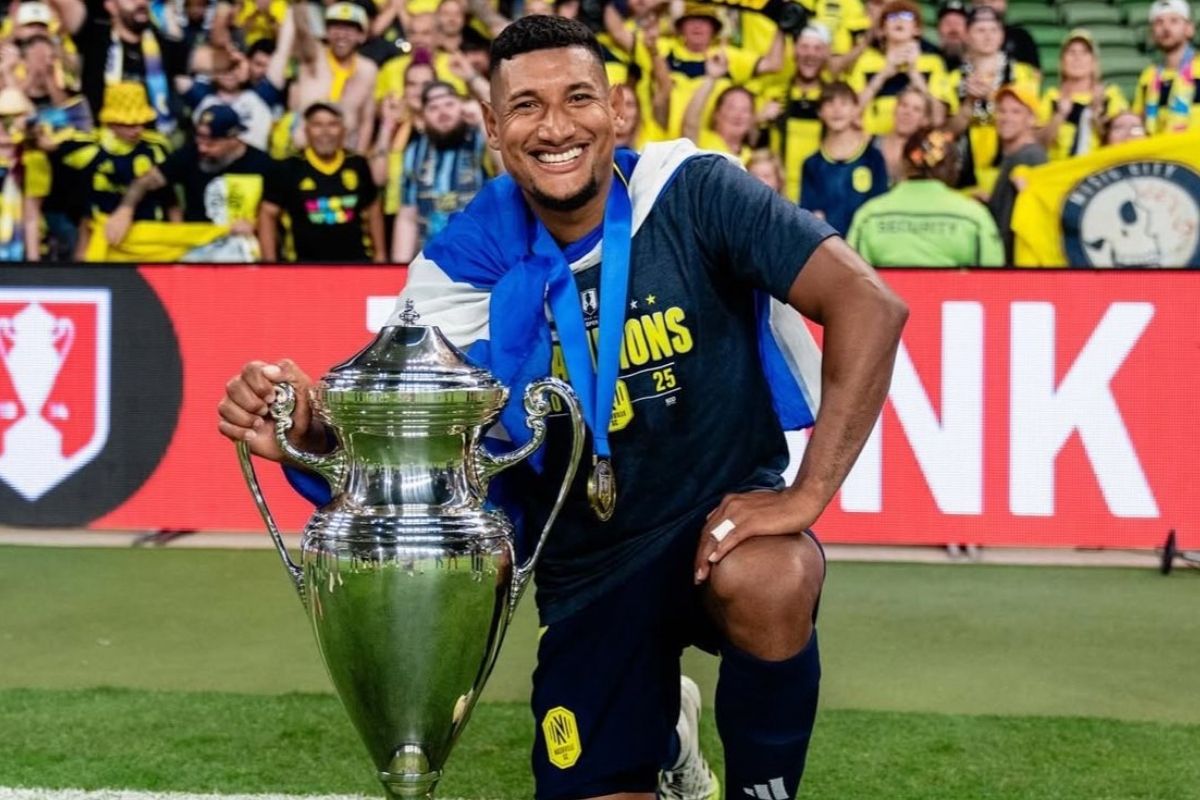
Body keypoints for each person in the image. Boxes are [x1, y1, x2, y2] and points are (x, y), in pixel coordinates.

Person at [218, 15, 907, 800]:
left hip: (717, 526)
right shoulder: (462, 261)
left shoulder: (692, 191)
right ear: (492, 128)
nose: (554, 128)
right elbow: (411, 422)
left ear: (616, 108)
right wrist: (306, 423)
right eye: (526, 106)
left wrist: (807, 494)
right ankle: (668, 736)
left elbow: (868, 304)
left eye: (578, 98)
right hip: (589, 569)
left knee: (773, 576)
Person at [105, 103, 274, 254]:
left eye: (211, 143)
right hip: (196, 244)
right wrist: (125, 210)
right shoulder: (190, 154)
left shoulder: (262, 164)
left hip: (242, 244)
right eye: (199, 139)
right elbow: (145, 181)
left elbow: (272, 212)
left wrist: (256, 225)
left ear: (233, 138)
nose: (202, 148)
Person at [39, 82, 177, 259]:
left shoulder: (156, 148)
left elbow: (171, 201)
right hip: (102, 236)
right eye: (127, 124)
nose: (136, 130)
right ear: (110, 122)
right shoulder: (88, 147)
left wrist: (175, 239)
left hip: (149, 238)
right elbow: (48, 146)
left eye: (140, 123)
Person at [849, 127, 1004, 267]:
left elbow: (851, 277)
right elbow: (994, 281)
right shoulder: (974, 217)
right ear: (953, 167)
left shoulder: (869, 216)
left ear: (904, 163)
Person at [258, 101, 384, 262]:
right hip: (302, 265)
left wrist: (380, 254)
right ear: (306, 130)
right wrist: (269, 263)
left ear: (343, 130)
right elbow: (268, 214)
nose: (325, 132)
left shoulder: (357, 164)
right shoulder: (289, 167)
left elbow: (373, 209)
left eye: (333, 124)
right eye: (317, 125)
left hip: (355, 264)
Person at [391, 81, 491, 261]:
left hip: (484, 257)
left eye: (449, 104)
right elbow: (407, 217)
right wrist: (399, 268)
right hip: (432, 260)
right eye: (433, 108)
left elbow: (507, 171)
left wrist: (482, 123)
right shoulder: (414, 151)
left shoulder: (481, 139)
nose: (443, 112)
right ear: (423, 117)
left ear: (462, 107)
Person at [945, 5, 1040, 194]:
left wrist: (994, 98)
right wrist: (969, 103)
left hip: (1010, 170)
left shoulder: (1023, 74)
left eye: (993, 30)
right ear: (967, 35)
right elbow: (948, 133)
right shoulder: (954, 79)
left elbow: (1033, 127)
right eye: (980, 30)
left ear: (1002, 35)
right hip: (965, 174)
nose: (988, 36)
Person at [273, 1, 379, 153]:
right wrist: (298, 5)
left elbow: (366, 121)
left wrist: (359, 158)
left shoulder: (368, 70)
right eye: (336, 27)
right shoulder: (313, 56)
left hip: (344, 153)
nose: (341, 35)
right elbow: (301, 31)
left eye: (349, 28)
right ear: (326, 31)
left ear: (361, 36)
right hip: (302, 150)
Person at [848, 0, 949, 136]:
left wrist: (915, 75)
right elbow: (850, 114)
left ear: (917, 29)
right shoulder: (865, 62)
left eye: (907, 16)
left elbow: (938, 118)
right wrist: (882, 75)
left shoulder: (933, 63)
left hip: (916, 142)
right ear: (881, 30)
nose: (899, 20)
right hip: (873, 141)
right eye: (892, 16)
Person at [799, 81, 888, 235]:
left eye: (844, 103)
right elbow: (809, 215)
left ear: (855, 110)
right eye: (829, 103)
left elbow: (881, 208)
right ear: (820, 112)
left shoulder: (873, 157)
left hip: (865, 244)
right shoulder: (812, 164)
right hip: (828, 245)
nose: (837, 110)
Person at [761, 23, 830, 202]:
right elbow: (752, 140)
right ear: (794, 51)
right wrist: (758, 119)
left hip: (821, 194)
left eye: (817, 48)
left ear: (826, 53)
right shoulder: (774, 94)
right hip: (779, 195)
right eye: (804, 47)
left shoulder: (832, 98)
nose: (810, 54)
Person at [1038, 30, 1128, 161]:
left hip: (1099, 168)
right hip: (1060, 168)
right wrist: (1059, 116)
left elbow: (1125, 141)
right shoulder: (1051, 97)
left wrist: (1098, 117)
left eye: (1084, 52)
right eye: (1071, 52)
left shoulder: (1110, 95)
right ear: (1062, 61)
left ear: (1093, 62)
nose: (1077, 58)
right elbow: (1037, 145)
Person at [987, 84, 1046, 263]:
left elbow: (1031, 218)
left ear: (1031, 119)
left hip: (1016, 265)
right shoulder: (1014, 156)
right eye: (1002, 111)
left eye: (1016, 112)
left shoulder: (1030, 157)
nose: (1006, 118)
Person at [1133, 0, 1199, 135]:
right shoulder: (1148, 76)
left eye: (1174, 21)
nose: (1166, 27)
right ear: (1152, 33)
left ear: (1189, 28)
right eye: (1159, 22)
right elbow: (1138, 120)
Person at [0, 87, 50, 261]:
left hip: (16, 246)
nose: (6, 125)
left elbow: (31, 217)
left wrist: (33, 263)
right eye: (2, 117)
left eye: (15, 117)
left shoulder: (33, 160)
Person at [682, 52, 758, 163]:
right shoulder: (702, 142)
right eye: (732, 108)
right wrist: (711, 78)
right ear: (716, 114)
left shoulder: (753, 159)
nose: (739, 115)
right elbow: (689, 124)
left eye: (745, 110)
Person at [877, 85, 932, 183]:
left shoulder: (926, 154)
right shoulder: (871, 144)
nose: (907, 112)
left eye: (916, 109)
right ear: (895, 109)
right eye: (904, 105)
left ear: (925, 120)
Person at [971, 0, 1040, 71]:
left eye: (992, 1)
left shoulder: (1020, 37)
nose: (987, 6)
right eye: (980, 2)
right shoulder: (965, 40)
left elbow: (1035, 73)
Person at [935, 0, 968, 72]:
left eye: (958, 23)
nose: (953, 28)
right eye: (948, 23)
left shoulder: (977, 64)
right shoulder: (925, 57)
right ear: (938, 29)